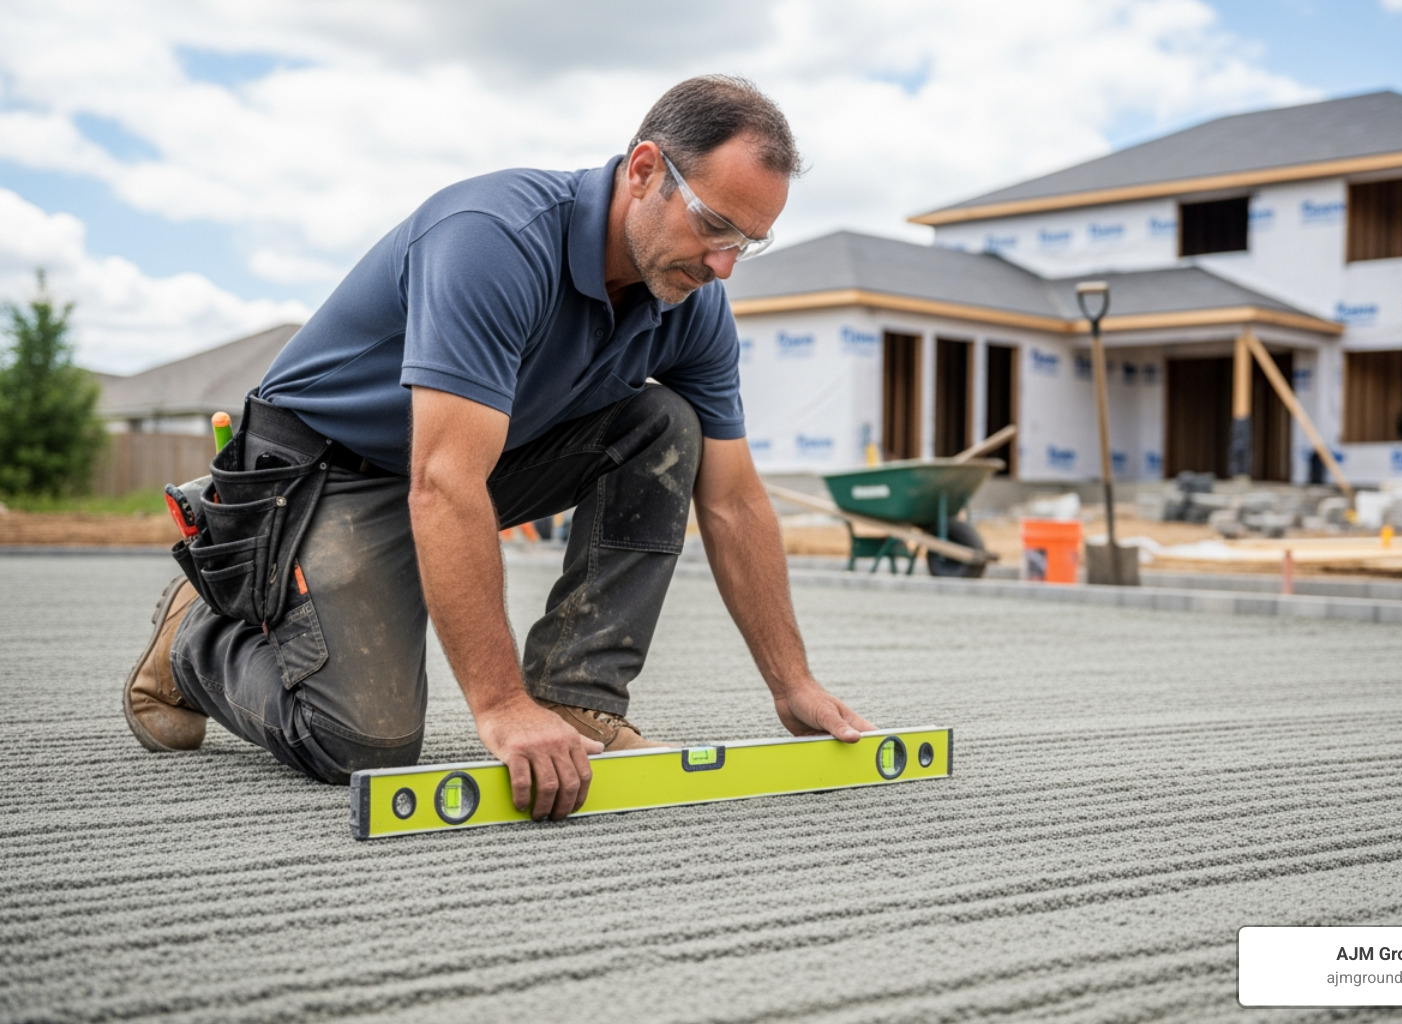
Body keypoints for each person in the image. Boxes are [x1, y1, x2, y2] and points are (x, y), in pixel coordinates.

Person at [122, 75, 875, 821]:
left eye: (749, 242)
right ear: (644, 171)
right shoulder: (495, 239)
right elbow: (443, 484)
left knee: (665, 424)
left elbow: (735, 501)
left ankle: (575, 699)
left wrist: (792, 682)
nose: (724, 265)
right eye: (714, 225)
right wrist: (499, 706)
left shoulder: (690, 307)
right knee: (357, 743)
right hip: (319, 474)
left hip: (459, 466)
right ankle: (199, 634)